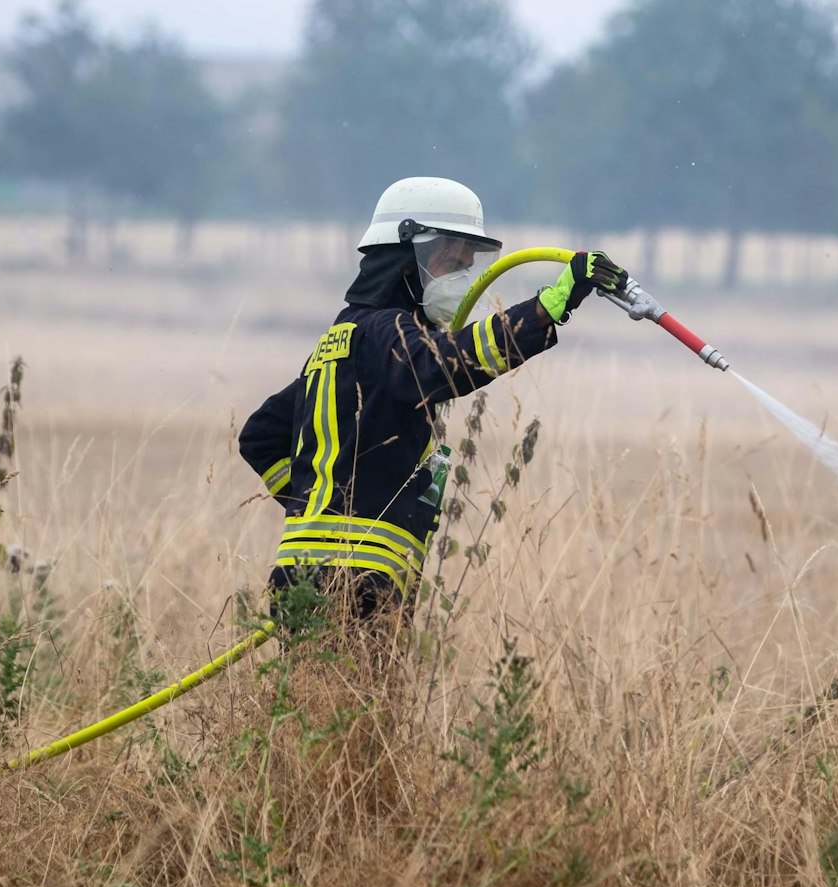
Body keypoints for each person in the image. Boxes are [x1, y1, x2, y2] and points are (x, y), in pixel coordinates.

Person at [237, 177, 626, 622]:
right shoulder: (386, 330)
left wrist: (309, 510)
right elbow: (444, 365)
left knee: (321, 694)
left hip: (303, 578)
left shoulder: (341, 341)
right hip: (359, 578)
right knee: (364, 694)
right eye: (448, 263)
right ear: (406, 259)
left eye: (466, 265)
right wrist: (545, 309)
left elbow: (260, 436)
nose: (460, 279)